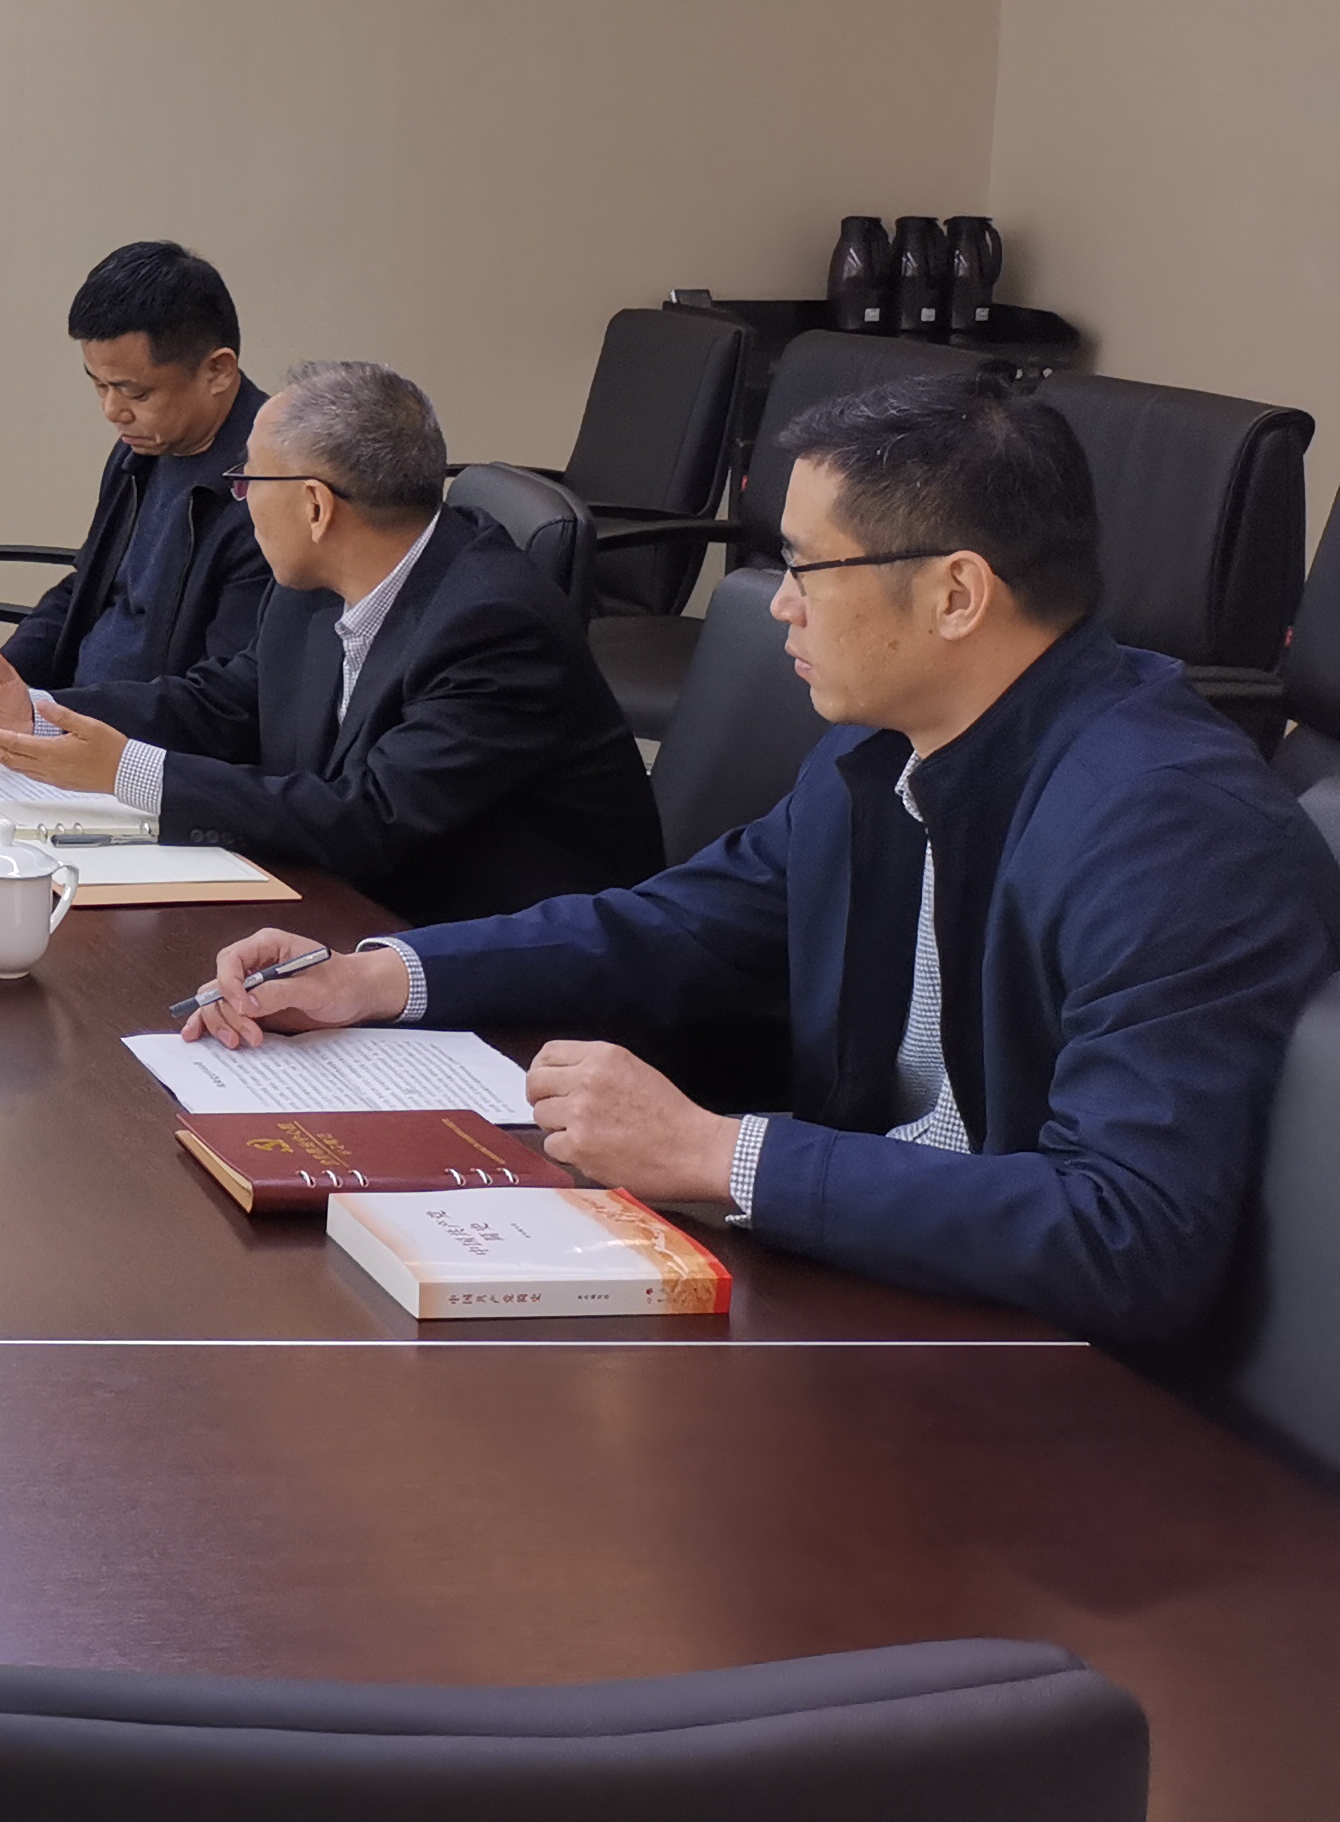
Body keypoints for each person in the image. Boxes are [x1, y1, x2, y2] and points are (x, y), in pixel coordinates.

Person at [181, 374, 1340, 1350]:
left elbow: (1127, 1235)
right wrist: (378, 975)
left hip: (1046, 1381)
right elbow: (675, 924)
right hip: (875, 1282)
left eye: (806, 569)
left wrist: (718, 1153)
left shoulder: (1168, 829)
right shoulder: (880, 753)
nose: (777, 606)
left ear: (954, 593)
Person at [0, 357, 657, 922]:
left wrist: (125, 771)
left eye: (248, 480)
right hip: (355, 911)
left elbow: (369, 819)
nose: (242, 500)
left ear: (315, 506)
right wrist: (44, 715)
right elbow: (228, 701)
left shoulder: (493, 626)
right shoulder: (315, 582)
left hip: (507, 971)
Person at [0, 241, 273, 689]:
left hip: (140, 730)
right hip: (71, 712)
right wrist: (1, 676)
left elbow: (224, 695)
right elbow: (87, 588)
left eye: (135, 392)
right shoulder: (138, 454)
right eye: (99, 386)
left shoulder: (271, 489)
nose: (112, 411)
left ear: (217, 371)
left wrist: (56, 714)